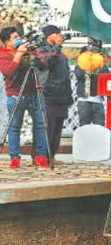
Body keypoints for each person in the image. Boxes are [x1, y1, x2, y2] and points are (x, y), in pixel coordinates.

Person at [0, 26, 49, 168]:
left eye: (18, 36)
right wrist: (18, 55)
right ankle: (15, 157)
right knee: (15, 127)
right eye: (15, 38)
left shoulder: (26, 51)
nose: (18, 39)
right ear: (6, 41)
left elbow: (44, 65)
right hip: (16, 95)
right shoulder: (3, 54)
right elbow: (8, 72)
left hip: (34, 92)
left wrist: (35, 55)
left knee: (41, 125)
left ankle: (40, 156)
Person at [37, 24, 73, 164]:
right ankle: (42, 156)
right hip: (49, 94)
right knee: (48, 127)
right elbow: (46, 64)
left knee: (58, 128)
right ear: (49, 35)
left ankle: (52, 156)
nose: (59, 36)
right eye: (56, 33)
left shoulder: (61, 52)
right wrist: (57, 47)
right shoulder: (42, 49)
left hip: (62, 95)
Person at [74, 41, 109, 127]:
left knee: (99, 125)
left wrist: (97, 67)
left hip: (97, 99)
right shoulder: (80, 65)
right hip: (83, 99)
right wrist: (90, 70)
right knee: (84, 125)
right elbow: (79, 74)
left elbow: (107, 75)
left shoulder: (101, 65)